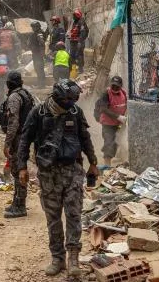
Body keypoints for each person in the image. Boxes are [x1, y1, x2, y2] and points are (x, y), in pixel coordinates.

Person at [17, 80, 99, 277]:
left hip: (72, 171)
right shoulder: (39, 113)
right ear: (59, 97)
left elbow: (85, 137)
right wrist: (21, 167)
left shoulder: (75, 113)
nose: (73, 102)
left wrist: (93, 163)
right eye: (70, 99)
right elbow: (25, 140)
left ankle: (73, 258)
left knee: (73, 214)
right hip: (48, 173)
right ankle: (57, 258)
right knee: (53, 218)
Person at [0, 71, 34, 218]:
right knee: (19, 169)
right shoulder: (26, 94)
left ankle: (20, 206)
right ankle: (17, 202)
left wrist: (7, 143)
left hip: (19, 138)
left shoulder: (14, 97)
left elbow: (13, 122)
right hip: (25, 136)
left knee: (18, 170)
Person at [94, 76, 127, 168]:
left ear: (121, 86)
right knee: (109, 142)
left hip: (119, 123)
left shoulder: (123, 93)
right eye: (113, 86)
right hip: (107, 124)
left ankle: (117, 159)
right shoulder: (106, 93)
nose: (115, 88)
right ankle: (107, 166)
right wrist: (118, 117)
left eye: (117, 86)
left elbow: (126, 106)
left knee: (116, 142)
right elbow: (103, 108)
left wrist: (124, 117)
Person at [28, 21, 47, 87]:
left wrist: (42, 53)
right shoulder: (34, 34)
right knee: (37, 68)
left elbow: (42, 43)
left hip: (38, 54)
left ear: (37, 27)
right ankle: (40, 83)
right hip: (35, 53)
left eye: (34, 27)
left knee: (39, 68)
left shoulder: (39, 34)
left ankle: (42, 84)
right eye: (32, 27)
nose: (32, 28)